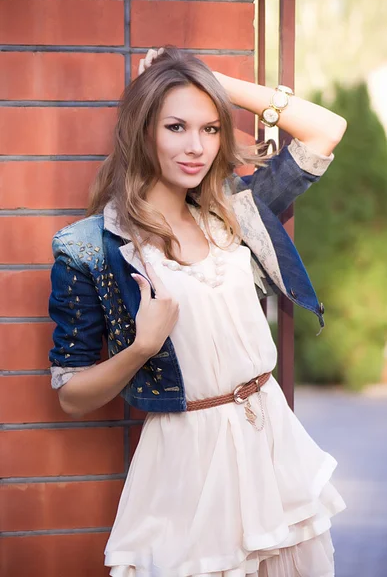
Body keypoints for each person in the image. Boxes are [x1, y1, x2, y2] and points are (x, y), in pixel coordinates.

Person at [48, 46, 347, 577]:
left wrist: (203, 77)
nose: (196, 147)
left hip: (271, 440)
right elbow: (71, 395)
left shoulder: (234, 212)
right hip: (188, 460)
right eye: (176, 127)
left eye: (211, 129)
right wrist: (141, 346)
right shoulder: (92, 247)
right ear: (143, 132)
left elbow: (325, 128)